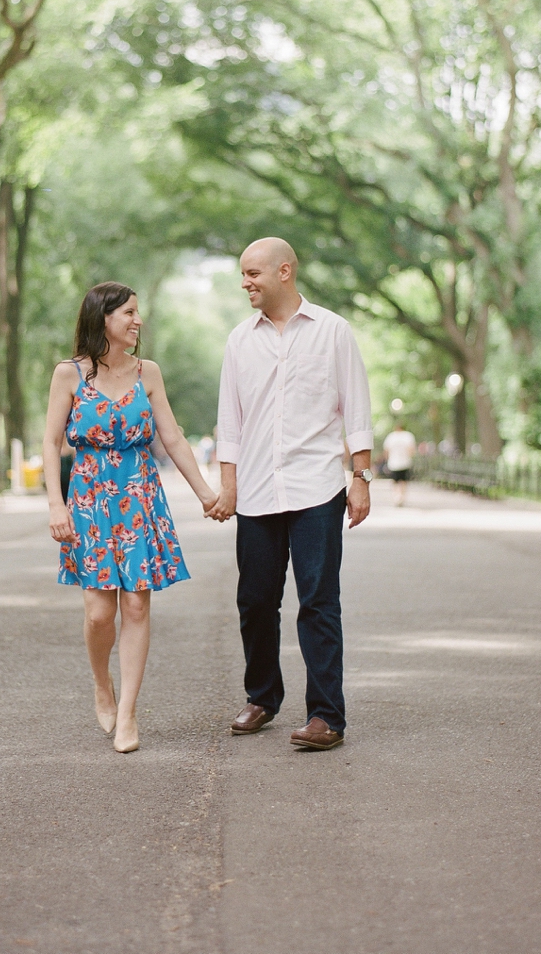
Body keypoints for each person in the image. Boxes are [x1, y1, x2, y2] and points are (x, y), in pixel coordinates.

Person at [209, 238, 373, 751]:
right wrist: (228, 485)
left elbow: (357, 405)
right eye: (242, 274)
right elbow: (229, 422)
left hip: (317, 486)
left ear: (285, 271)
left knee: (319, 602)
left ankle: (327, 716)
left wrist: (361, 477)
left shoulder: (333, 332)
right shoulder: (239, 341)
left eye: (253, 273)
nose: (245, 283)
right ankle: (263, 696)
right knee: (255, 601)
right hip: (257, 490)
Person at [43, 281, 218, 754]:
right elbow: (49, 442)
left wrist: (206, 494)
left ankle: (128, 714)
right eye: (129, 313)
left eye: (138, 313)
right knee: (100, 613)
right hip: (89, 499)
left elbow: (175, 439)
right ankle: (102, 684)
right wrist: (56, 504)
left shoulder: (149, 373)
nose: (138, 321)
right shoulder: (69, 375)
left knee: (136, 606)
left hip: (140, 495)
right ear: (103, 319)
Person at [382, 421, 416, 506]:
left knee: (395, 481)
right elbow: (411, 449)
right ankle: (401, 496)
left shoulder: (391, 436)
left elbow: (386, 450)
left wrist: (387, 460)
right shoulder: (408, 436)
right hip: (405, 462)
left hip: (393, 463)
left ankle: (396, 496)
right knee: (403, 480)